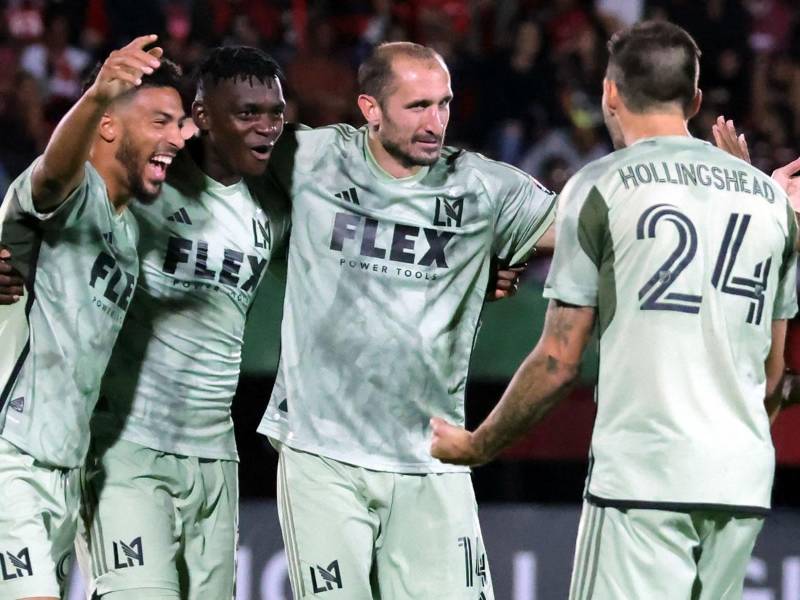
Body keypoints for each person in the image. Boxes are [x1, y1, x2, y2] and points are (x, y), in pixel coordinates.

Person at [430, 21, 797, 600]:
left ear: (609, 93)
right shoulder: (773, 202)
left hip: (643, 480)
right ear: (696, 100)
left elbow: (557, 360)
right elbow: (774, 377)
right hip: (742, 483)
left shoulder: (600, 186)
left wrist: (477, 445)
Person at [257, 41, 556, 598]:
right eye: (417, 106)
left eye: (444, 104)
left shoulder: (482, 187)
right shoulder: (309, 157)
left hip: (431, 452)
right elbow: (207, 158)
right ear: (370, 108)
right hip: (322, 450)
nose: (435, 122)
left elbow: (589, 233)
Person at [75, 46, 291, 600]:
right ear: (202, 116)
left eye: (275, 112)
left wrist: (489, 271)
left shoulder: (271, 209)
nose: (266, 127)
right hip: (126, 448)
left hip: (216, 459)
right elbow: (51, 211)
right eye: (247, 113)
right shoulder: (140, 187)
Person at [0, 35, 186, 600]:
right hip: (11, 460)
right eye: (160, 120)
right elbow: (52, 178)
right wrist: (97, 94)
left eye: (179, 123)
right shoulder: (70, 195)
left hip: (61, 474)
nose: (175, 138)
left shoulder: (129, 235)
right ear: (107, 126)